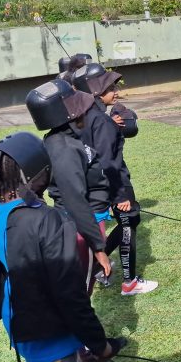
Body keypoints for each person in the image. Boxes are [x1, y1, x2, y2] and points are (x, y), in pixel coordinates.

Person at [0, 132, 127, 362]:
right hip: (49, 331)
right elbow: (70, 292)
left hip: (19, 321)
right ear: (38, 171)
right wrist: (102, 346)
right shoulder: (48, 220)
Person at [72, 64, 158, 296]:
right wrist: (120, 195)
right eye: (110, 88)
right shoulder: (101, 121)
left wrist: (111, 124)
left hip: (93, 185)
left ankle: (98, 267)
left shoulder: (81, 116)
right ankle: (129, 282)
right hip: (113, 182)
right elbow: (108, 161)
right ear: (96, 92)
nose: (116, 91)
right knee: (128, 221)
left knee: (129, 221)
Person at [25, 79, 112, 291]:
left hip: (88, 222)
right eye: (78, 105)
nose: (84, 110)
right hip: (81, 227)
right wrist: (98, 247)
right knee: (81, 288)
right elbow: (75, 201)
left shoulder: (66, 139)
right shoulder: (63, 148)